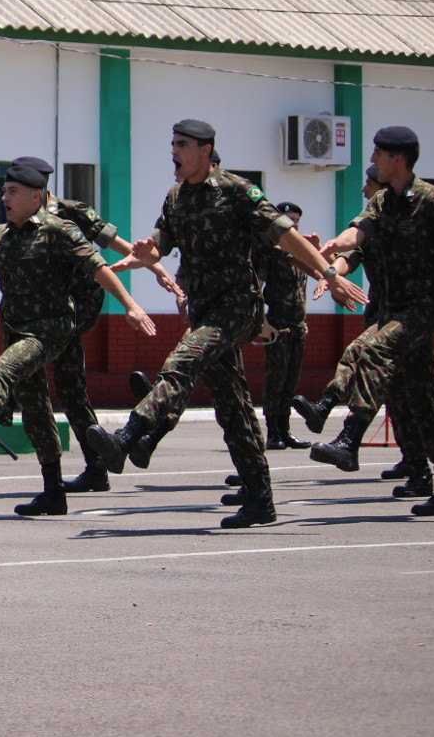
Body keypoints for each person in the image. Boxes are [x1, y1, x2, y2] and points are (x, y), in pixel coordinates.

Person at [100, 119, 366, 529]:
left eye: (182, 145)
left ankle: (127, 436)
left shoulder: (238, 191)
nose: (174, 152)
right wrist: (143, 254)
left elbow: (287, 238)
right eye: (172, 144)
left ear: (205, 150)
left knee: (183, 361)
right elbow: (158, 245)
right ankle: (260, 499)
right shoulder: (176, 197)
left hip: (239, 307)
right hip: (204, 309)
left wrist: (329, 275)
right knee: (233, 408)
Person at [0, 162, 156, 517]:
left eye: (12, 192)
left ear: (35, 196)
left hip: (50, 329)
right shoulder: (0, 235)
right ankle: (53, 492)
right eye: (3, 191)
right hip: (15, 328)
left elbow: (99, 268)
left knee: (4, 370)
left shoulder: (59, 230)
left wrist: (131, 306)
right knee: (36, 412)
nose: (4, 198)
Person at [308, 128, 434, 517]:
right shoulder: (383, 202)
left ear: (397, 160)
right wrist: (337, 244)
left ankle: (350, 440)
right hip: (397, 308)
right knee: (422, 398)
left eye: (379, 154)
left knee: (371, 348)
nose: (373, 158)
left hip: (429, 304)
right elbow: (359, 231)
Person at [7, 156, 182, 494]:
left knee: (41, 373)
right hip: (47, 310)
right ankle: (97, 466)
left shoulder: (72, 211)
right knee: (71, 390)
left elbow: (114, 243)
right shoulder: (20, 217)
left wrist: (153, 267)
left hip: (76, 307)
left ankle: (1, 403)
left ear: (39, 188)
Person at [253, 201, 311, 451]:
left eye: (297, 220)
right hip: (277, 324)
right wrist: (262, 321)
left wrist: (305, 320)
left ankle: (286, 430)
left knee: (291, 380)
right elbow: (256, 287)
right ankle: (273, 431)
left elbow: (302, 290)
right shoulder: (269, 250)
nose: (294, 224)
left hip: (298, 324)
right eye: (290, 219)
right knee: (276, 379)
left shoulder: (300, 252)